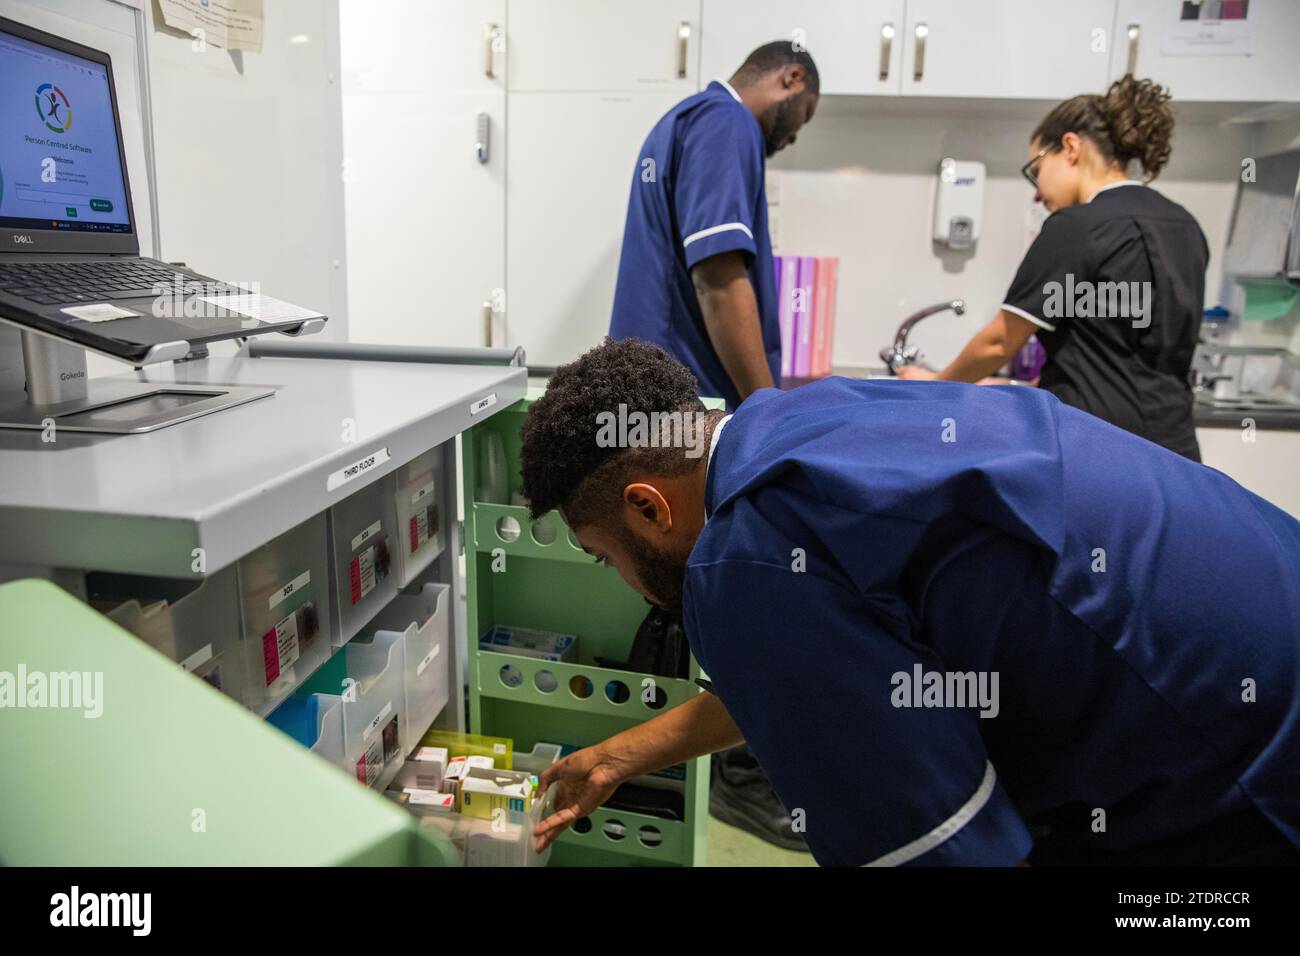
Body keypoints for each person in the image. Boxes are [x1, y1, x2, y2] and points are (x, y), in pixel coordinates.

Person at [519, 338, 1300, 866]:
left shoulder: (745, 556)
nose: (622, 582)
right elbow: (820, 674)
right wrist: (623, 755)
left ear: (648, 508)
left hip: (1240, 756)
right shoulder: (785, 422)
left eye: (603, 556)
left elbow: (948, 848)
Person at [899, 76, 1208, 462]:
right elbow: (1114, 345)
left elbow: (1000, 341)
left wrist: (936, 388)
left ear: (1070, 147)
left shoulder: (1076, 226)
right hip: (1175, 453)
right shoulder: (1184, 225)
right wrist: (1020, 385)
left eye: (1036, 169)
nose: (1036, 192)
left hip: (1097, 451)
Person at [608, 40, 819, 412]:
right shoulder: (724, 120)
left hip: (655, 405)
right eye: (807, 113)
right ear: (793, 78)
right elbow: (718, 282)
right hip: (686, 410)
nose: (794, 137)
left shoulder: (691, 117)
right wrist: (770, 416)